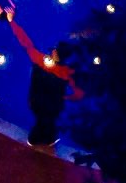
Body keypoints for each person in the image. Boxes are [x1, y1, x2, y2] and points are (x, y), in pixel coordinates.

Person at [7, 17, 80, 148]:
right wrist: (65, 97)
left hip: (36, 102)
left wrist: (12, 22)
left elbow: (26, 44)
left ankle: (36, 141)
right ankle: (45, 140)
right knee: (47, 122)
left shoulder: (41, 61)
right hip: (53, 106)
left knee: (42, 125)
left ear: (55, 52)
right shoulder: (68, 73)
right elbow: (78, 94)